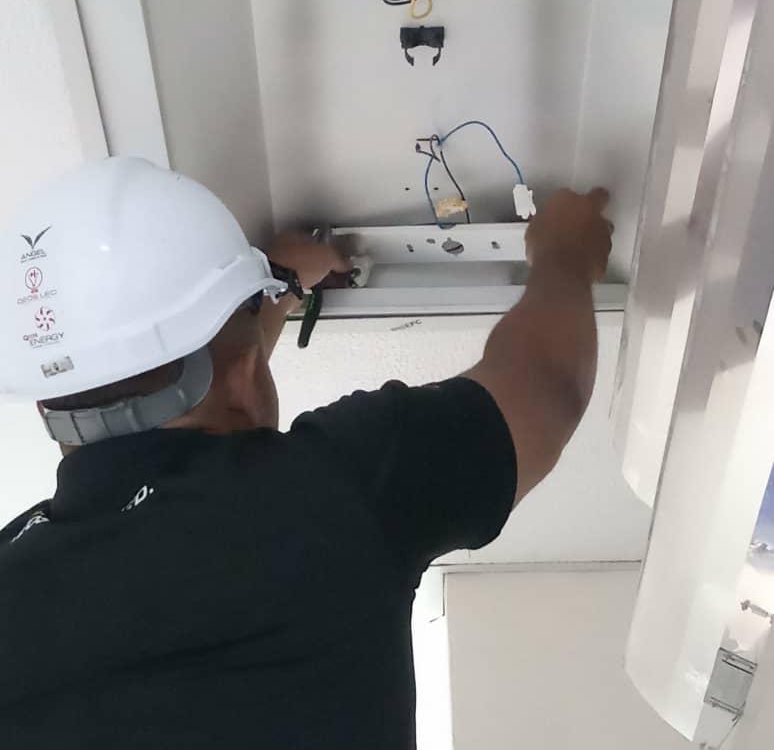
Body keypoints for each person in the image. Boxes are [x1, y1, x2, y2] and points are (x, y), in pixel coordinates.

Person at [0, 157, 612, 750]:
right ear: (248, 377)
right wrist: (566, 252)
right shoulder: (333, 496)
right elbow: (546, 384)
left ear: (45, 405)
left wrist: (275, 287)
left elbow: (216, 393)